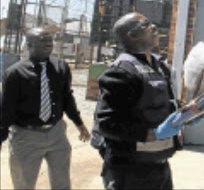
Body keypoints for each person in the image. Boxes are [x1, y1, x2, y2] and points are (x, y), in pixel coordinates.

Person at [94, 12, 192, 190]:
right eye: (146, 25)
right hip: (129, 171)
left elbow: (163, 106)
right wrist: (153, 134)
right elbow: (107, 124)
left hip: (159, 165)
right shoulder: (122, 72)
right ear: (132, 35)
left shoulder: (159, 67)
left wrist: (187, 114)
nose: (154, 26)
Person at [1, 27, 91, 189]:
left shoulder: (61, 67)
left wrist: (79, 124)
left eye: (50, 39)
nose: (49, 42)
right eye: (42, 39)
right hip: (26, 137)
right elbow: (6, 109)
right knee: (24, 185)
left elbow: (67, 98)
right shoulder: (15, 73)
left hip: (56, 134)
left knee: (62, 183)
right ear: (29, 44)